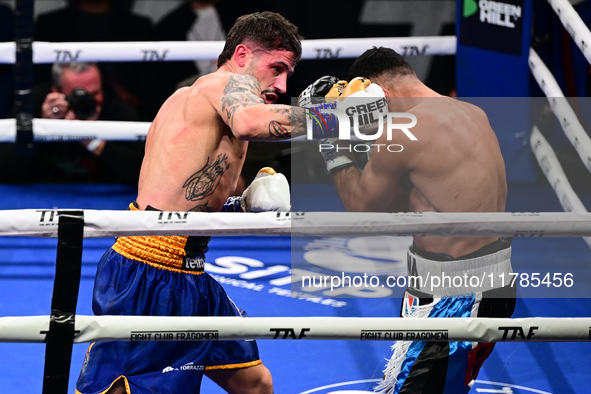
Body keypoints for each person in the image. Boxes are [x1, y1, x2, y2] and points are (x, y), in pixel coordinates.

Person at [76, 11, 302, 394]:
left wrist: (239, 206)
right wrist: (338, 117)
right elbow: (250, 121)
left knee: (256, 384)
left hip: (188, 270)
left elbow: (183, 197)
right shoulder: (223, 85)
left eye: (287, 75)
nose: (280, 85)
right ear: (243, 55)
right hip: (150, 271)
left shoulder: (208, 104)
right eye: (276, 68)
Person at [304, 47, 515, 394]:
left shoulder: (403, 131)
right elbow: (420, 201)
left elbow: (362, 208)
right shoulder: (472, 112)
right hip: (484, 281)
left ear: (378, 92)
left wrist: (329, 142)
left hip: (457, 294)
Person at [33, 62, 144, 184]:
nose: (89, 101)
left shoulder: (114, 107)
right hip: (43, 191)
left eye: (95, 93)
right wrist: (42, 129)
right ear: (56, 92)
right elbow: (9, 168)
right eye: (80, 95)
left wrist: (91, 140)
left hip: (103, 196)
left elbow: (143, 171)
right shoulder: (40, 103)